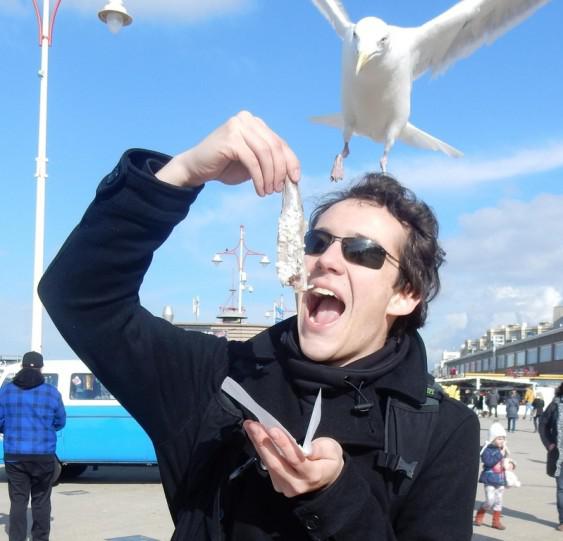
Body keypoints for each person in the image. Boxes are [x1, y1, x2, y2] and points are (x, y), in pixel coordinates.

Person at [38, 112, 480, 540]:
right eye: (318, 241)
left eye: (362, 252)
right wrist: (184, 172)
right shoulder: (215, 377)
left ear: (405, 294)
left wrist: (334, 498)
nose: (326, 259)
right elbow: (80, 298)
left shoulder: (442, 429)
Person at [0, 351, 66, 541]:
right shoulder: (52, 393)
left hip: (14, 455)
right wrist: (45, 428)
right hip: (43, 455)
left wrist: (9, 428)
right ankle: (40, 538)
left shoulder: (5, 391)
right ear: (41, 368)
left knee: (18, 501)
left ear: (22, 366)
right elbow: (60, 421)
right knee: (41, 501)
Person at [474, 422, 514, 530]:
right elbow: (488, 462)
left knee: (499, 501)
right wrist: (500, 454)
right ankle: (480, 513)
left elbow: (507, 461)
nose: (502, 441)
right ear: (492, 438)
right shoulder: (486, 450)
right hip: (490, 479)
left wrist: (511, 465)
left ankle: (496, 522)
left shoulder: (503, 450)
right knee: (490, 500)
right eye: (499, 438)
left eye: (503, 438)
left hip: (500, 479)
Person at [539, 382, 563, 532]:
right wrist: (549, 444)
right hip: (560, 455)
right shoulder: (555, 404)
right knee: (562, 489)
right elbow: (543, 425)